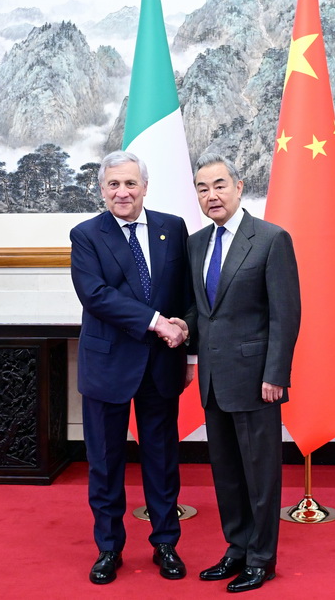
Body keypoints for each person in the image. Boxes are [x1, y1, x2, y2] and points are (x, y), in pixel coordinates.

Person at [70, 151, 193, 585]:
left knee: (162, 460)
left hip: (162, 363)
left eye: (130, 183)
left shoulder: (172, 228)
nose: (122, 192)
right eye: (113, 185)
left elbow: (185, 295)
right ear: (102, 190)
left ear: (144, 186)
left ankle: (166, 543)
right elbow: (96, 295)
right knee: (105, 462)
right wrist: (157, 322)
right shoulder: (86, 235)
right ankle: (109, 548)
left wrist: (189, 351)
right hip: (107, 366)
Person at [184, 153, 301, 593]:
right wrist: (181, 335)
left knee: (260, 475)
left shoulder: (271, 239)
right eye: (202, 188)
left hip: (256, 380)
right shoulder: (196, 243)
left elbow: (285, 315)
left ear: (238, 186)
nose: (211, 195)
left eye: (219, 185)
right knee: (227, 473)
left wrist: (276, 374)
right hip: (214, 380)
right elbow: (202, 311)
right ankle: (236, 549)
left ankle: (261, 559)